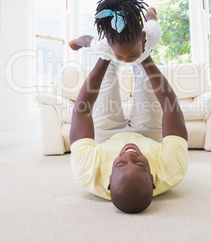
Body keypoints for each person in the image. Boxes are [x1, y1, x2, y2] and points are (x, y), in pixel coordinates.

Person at [70, 54, 188, 214]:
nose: (130, 154)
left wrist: (105, 54)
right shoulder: (173, 168)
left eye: (121, 164)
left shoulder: (86, 170)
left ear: (110, 180)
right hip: (148, 136)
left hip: (107, 136)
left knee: (107, 74)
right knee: (144, 73)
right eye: (139, 164)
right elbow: (170, 107)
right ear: (152, 180)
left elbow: (82, 110)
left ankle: (100, 43)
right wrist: (143, 54)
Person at [69, 0, 161, 64]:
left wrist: (151, 11)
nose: (126, 60)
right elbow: (86, 40)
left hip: (142, 50)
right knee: (96, 47)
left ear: (143, 38)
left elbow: (151, 18)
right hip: (111, 52)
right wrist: (75, 43)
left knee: (149, 17)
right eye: (120, 57)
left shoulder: (152, 33)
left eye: (132, 54)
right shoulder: (104, 47)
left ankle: (150, 9)